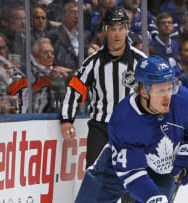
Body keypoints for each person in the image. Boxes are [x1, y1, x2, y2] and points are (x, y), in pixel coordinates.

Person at [75, 56, 188, 202]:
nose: (167, 97)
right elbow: (132, 173)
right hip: (118, 167)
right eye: (161, 90)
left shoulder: (181, 99)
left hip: (160, 168)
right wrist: (151, 197)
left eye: (170, 88)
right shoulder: (125, 118)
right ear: (144, 91)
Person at [60, 7, 147, 168]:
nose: (117, 34)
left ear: (127, 30)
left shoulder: (140, 61)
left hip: (132, 127)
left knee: (133, 177)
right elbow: (75, 90)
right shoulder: (93, 62)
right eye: (113, 29)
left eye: (121, 29)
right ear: (106, 31)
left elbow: (155, 91)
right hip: (100, 129)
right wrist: (67, 119)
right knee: (95, 176)